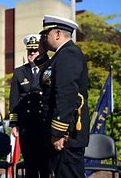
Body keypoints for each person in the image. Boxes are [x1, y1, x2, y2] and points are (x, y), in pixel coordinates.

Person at [34, 15, 90, 178]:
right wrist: (43, 57)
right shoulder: (61, 56)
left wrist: (58, 132)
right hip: (63, 134)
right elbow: (48, 82)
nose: (44, 39)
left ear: (57, 34)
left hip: (66, 136)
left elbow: (66, 96)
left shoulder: (68, 55)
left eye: (46, 35)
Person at [9, 34, 50, 178]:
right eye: (29, 51)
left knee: (45, 164)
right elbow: (14, 98)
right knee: (30, 164)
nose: (32, 54)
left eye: (35, 51)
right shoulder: (19, 72)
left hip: (45, 123)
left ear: (41, 51)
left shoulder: (49, 68)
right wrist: (14, 123)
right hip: (27, 124)